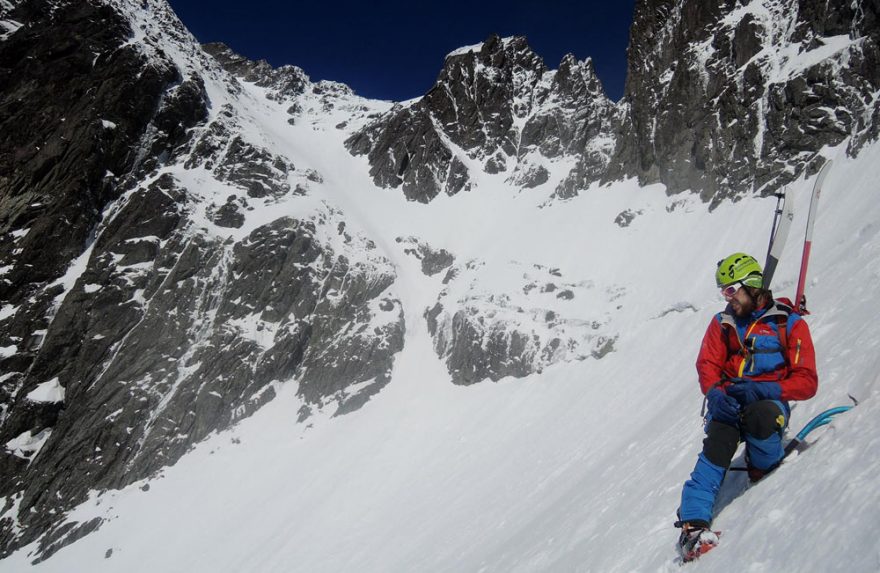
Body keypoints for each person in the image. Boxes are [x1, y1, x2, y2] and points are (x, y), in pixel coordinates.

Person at [675, 252, 818, 560]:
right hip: (727, 402)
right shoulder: (724, 323)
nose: (727, 299)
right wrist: (714, 394)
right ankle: (693, 524)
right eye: (723, 292)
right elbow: (707, 364)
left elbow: (806, 381)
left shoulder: (787, 324)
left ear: (752, 285)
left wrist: (766, 389)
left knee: (761, 418)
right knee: (718, 444)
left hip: (768, 403)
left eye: (730, 290)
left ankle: (762, 464)